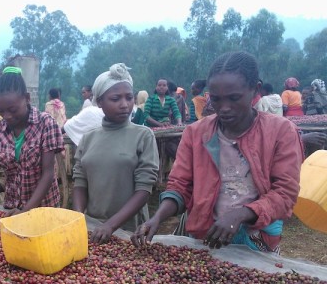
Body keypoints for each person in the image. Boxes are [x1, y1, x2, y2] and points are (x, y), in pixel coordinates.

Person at [131, 51, 304, 254]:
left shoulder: (280, 131)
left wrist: (241, 214)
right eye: (216, 99)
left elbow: (285, 193)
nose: (224, 108)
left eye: (234, 98)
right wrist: (158, 217)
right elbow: (180, 185)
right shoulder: (196, 133)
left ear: (255, 89)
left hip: (258, 236)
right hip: (207, 233)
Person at [72, 63, 159, 243]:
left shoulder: (143, 135)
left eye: (129, 98)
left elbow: (144, 189)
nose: (124, 105)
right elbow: (80, 182)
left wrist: (111, 225)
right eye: (115, 99)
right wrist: (78, 218)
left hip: (129, 231)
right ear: (100, 102)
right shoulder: (88, 138)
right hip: (93, 227)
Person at [0, 66, 64, 216]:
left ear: (27, 98)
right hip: (11, 208)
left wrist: (25, 211)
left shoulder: (46, 124)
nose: (7, 116)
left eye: (13, 110)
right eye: (1, 111)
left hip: (44, 209)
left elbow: (48, 174)